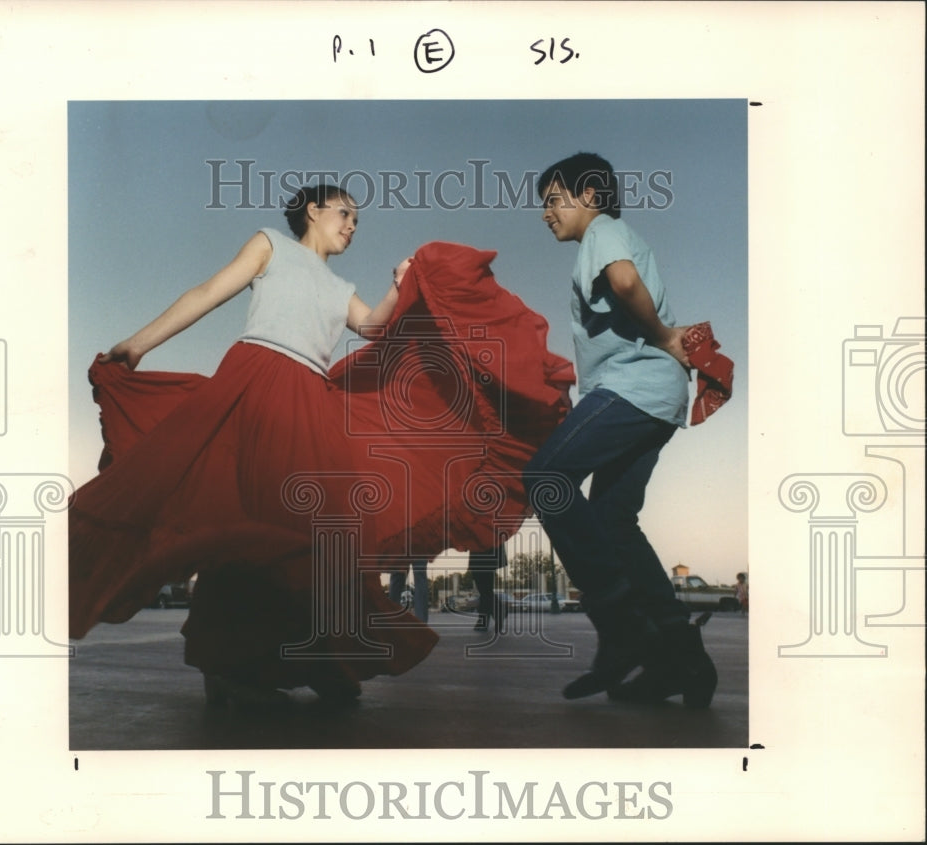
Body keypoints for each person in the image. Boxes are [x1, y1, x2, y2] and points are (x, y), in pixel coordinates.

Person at [69, 181, 575, 707]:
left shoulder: (340, 288)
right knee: (257, 522)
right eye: (344, 213)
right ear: (312, 210)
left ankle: (312, 656)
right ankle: (231, 663)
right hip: (255, 384)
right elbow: (206, 293)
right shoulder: (270, 244)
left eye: (357, 220)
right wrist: (137, 344)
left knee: (314, 532)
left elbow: (375, 327)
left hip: (309, 400)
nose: (352, 225)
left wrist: (406, 283)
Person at [523, 152, 718, 708]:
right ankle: (679, 658)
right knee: (612, 519)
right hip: (661, 396)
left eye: (553, 199)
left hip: (634, 387)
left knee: (545, 475)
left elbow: (625, 280)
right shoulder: (614, 233)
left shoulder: (602, 231)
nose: (545, 213)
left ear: (590, 197)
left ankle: (621, 624)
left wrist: (659, 334)